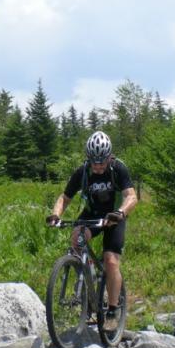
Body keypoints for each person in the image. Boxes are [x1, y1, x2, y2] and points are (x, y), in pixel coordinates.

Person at [46, 131, 138, 328]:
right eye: (94, 162)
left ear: (108, 157)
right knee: (76, 240)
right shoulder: (83, 171)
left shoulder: (117, 168)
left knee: (111, 261)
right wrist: (55, 214)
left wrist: (121, 213)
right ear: (89, 158)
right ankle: (88, 282)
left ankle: (112, 311)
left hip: (114, 217)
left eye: (102, 162)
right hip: (91, 214)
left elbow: (131, 196)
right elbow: (65, 197)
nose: (98, 166)